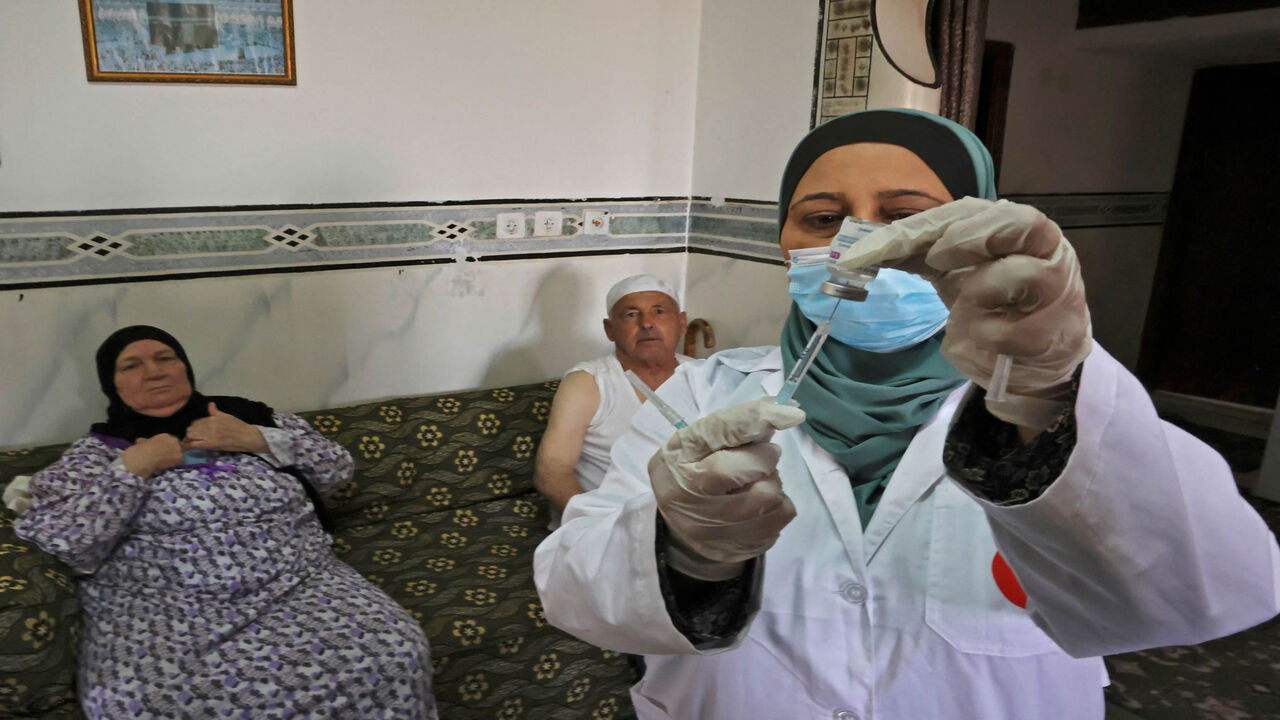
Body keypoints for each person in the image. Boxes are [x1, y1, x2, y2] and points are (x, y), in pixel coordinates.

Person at [533, 109, 1280, 719]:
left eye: (905, 218)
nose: (859, 244)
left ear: (974, 231)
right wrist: (685, 552)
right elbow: (574, 591)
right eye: (823, 217)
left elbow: (1205, 595)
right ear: (784, 241)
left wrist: (1047, 406)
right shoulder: (704, 396)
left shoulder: (1060, 399)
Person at [14, 325, 437, 720]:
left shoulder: (246, 417)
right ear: (112, 383)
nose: (155, 372)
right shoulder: (97, 454)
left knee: (396, 651)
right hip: (169, 610)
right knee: (137, 701)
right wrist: (132, 469)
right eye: (132, 365)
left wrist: (254, 439)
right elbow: (64, 540)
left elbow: (337, 470)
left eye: (166, 358)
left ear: (186, 367)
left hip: (301, 584)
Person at [534, 274, 689, 528]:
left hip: (688, 526)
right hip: (604, 526)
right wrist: (607, 527)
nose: (647, 323)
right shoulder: (589, 382)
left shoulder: (704, 376)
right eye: (631, 315)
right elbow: (551, 474)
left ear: (682, 323)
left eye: (659, 312)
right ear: (609, 329)